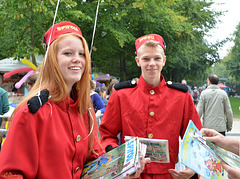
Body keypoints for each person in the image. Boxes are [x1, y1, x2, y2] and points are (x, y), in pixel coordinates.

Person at [0, 21, 147, 179]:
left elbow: (95, 161)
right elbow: (11, 173)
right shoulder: (32, 111)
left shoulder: (84, 108)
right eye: (68, 53)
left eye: (81, 54)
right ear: (52, 59)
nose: (77, 59)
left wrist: (123, 171)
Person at [99, 34, 202, 178]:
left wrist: (191, 168)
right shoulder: (121, 94)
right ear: (138, 61)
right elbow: (107, 135)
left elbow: (195, 138)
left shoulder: (181, 96)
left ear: (164, 60)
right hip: (131, 175)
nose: (152, 63)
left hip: (168, 175)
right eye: (146, 59)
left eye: (157, 58)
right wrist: (119, 160)